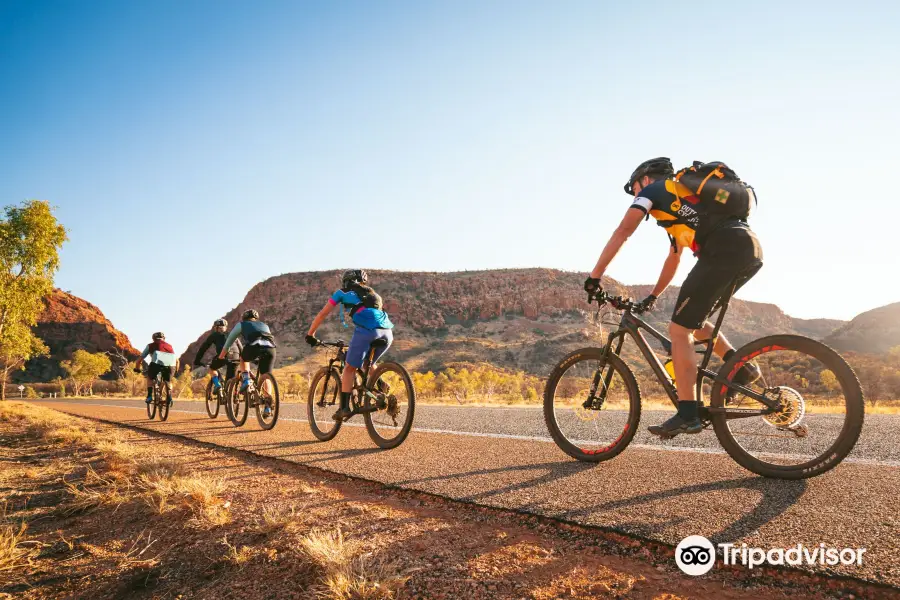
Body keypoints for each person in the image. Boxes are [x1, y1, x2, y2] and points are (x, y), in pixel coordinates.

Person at [584, 157, 763, 437]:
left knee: (679, 331)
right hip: (748, 248)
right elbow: (674, 258)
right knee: (693, 321)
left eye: (634, 189)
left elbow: (623, 231)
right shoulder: (681, 202)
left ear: (645, 179)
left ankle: (688, 412)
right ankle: (741, 367)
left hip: (723, 248)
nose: (635, 195)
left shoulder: (653, 191)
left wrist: (595, 276)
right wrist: (654, 295)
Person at [305, 269, 394, 421]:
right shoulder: (373, 294)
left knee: (348, 368)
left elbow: (322, 314)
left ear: (346, 281)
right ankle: (381, 386)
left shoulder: (342, 292)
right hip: (387, 333)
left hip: (367, 331)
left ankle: (344, 408)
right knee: (368, 363)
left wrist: (310, 334)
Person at [217, 309, 276, 417]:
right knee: (266, 376)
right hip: (270, 349)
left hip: (254, 346)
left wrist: (220, 357)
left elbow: (229, 342)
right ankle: (267, 407)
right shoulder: (264, 325)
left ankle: (246, 379)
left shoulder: (242, 324)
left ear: (244, 318)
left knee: (243, 359)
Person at [193, 318, 242, 393]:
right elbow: (241, 348)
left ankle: (217, 385)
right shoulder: (232, 334)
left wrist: (197, 360)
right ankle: (231, 396)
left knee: (212, 368)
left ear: (216, 328)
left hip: (223, 356)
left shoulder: (214, 335)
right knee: (229, 381)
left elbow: (203, 348)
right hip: (236, 357)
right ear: (225, 327)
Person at [134, 332, 178, 406]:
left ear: (153, 339)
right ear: (164, 339)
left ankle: (149, 396)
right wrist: (175, 370)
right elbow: (177, 361)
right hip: (171, 365)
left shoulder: (150, 346)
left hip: (156, 365)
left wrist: (137, 368)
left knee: (150, 378)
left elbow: (139, 360)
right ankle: (169, 397)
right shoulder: (169, 346)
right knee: (168, 381)